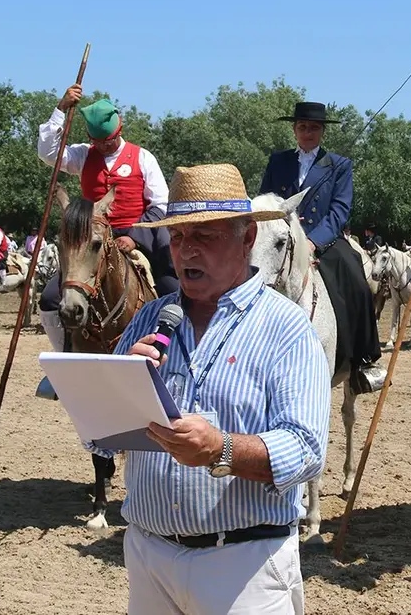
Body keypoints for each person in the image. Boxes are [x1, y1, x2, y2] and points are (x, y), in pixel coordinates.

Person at [90, 163, 329, 614]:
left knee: (351, 273)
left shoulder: (288, 328)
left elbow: (307, 450)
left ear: (247, 239)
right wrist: (116, 386)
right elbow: (102, 436)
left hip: (245, 564)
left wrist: (222, 450)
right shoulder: (148, 318)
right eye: (178, 238)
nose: (186, 251)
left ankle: (364, 360)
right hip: (148, 556)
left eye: (206, 235)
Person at [36, 86, 178, 358]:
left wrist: (135, 237)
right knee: (51, 299)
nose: (105, 146)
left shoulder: (143, 157)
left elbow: (161, 204)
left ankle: (173, 356)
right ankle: (66, 358)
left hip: (137, 236)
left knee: (173, 289)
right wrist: (60, 109)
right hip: (91, 239)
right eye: (99, 142)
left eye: (110, 140)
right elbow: (48, 155)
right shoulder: (82, 155)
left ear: (119, 128)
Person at [259, 101, 384, 389]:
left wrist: (313, 243)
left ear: (322, 132)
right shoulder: (278, 161)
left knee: (355, 276)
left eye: (313, 127)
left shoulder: (339, 165)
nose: (307, 132)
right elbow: (266, 199)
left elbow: (340, 209)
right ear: (294, 130)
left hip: (322, 240)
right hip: (282, 235)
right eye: (302, 127)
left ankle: (363, 360)